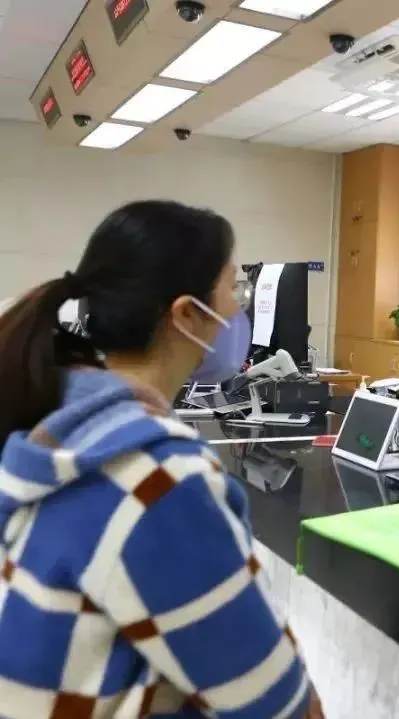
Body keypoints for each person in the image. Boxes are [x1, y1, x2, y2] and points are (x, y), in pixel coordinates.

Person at [0, 201, 320, 718]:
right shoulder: (158, 479)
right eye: (234, 289)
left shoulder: (54, 418)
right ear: (187, 314)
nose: (239, 310)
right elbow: (278, 705)